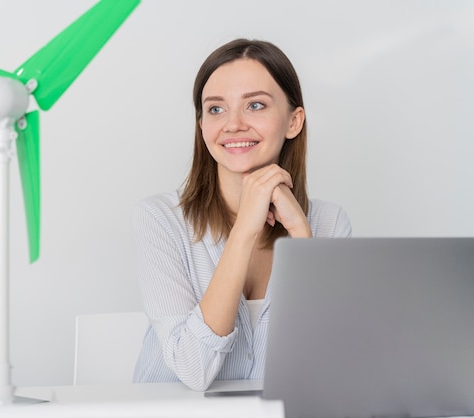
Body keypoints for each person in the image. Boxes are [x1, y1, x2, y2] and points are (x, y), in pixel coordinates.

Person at [132, 38, 352, 391]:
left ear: (293, 121)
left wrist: (301, 235)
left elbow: (333, 370)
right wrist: (244, 232)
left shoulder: (330, 222)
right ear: (201, 125)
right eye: (216, 109)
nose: (233, 124)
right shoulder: (159, 219)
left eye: (255, 105)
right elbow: (194, 369)